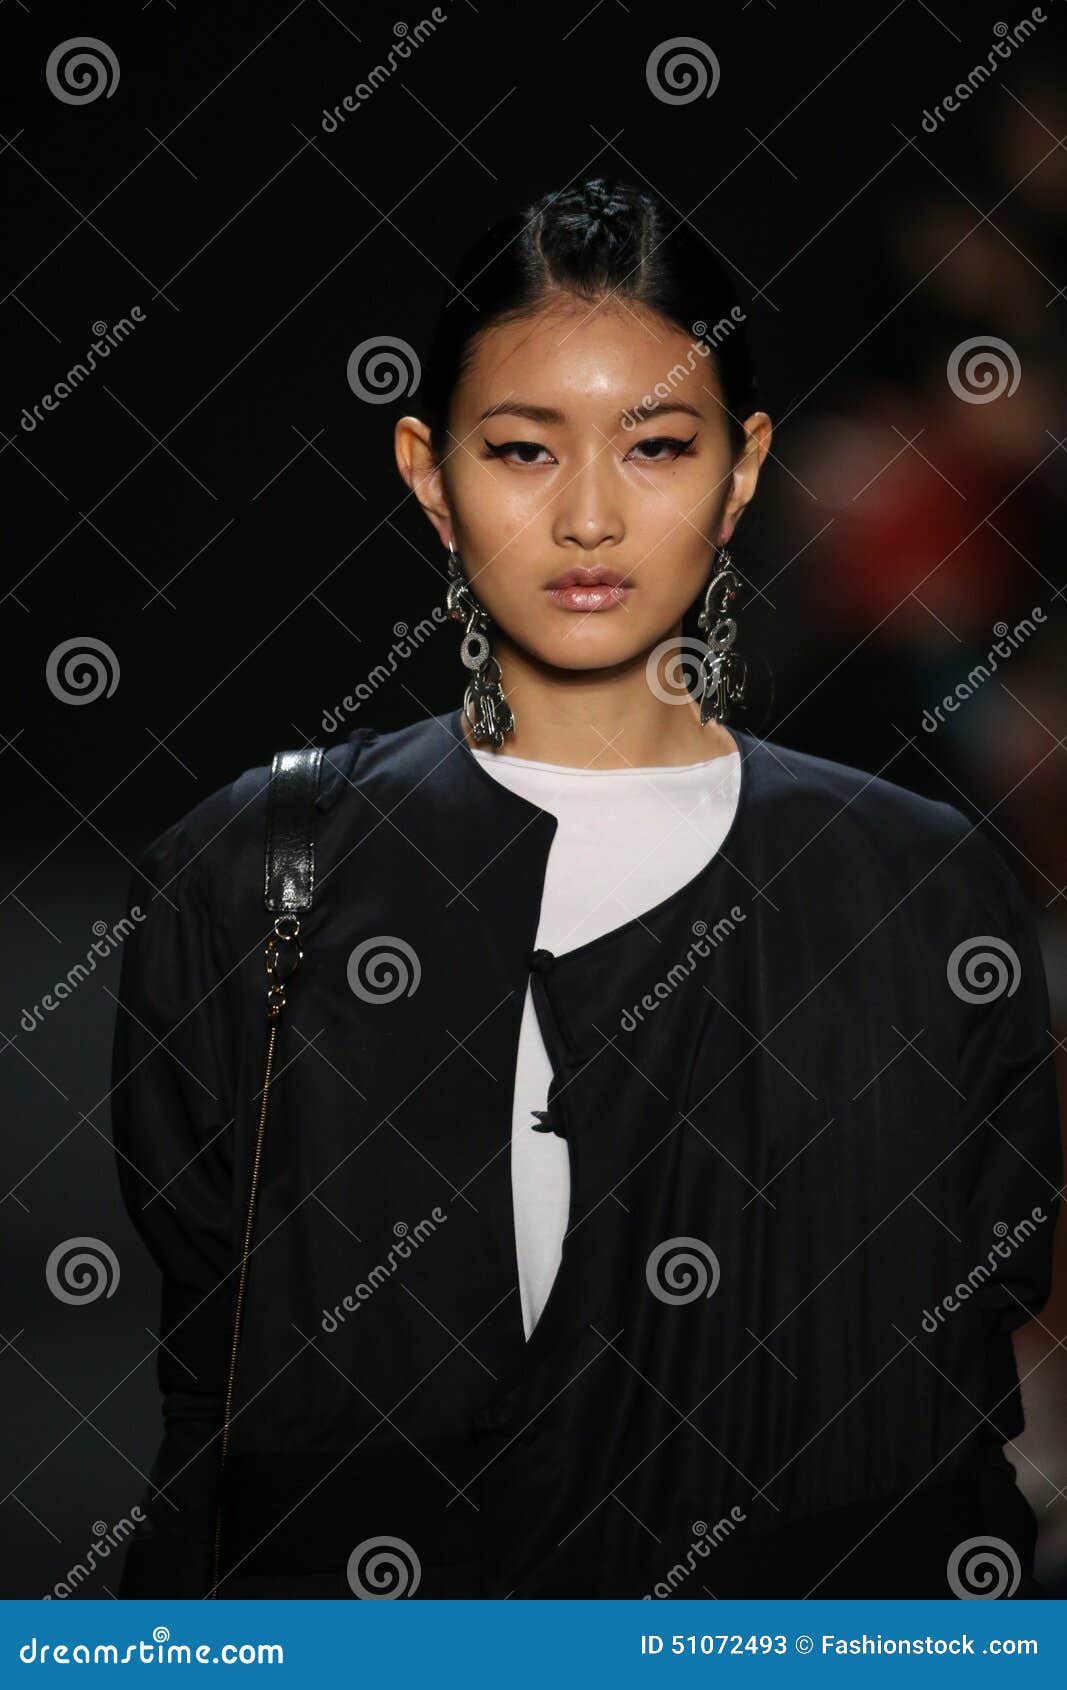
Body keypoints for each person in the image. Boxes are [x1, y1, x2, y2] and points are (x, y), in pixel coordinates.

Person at [110, 178, 1061, 1599]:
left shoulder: (917, 892)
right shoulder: (252, 871)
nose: (592, 516)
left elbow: (948, 1416)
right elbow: (217, 1420)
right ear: (429, 472)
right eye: (521, 449)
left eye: (658, 445)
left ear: (742, 470)